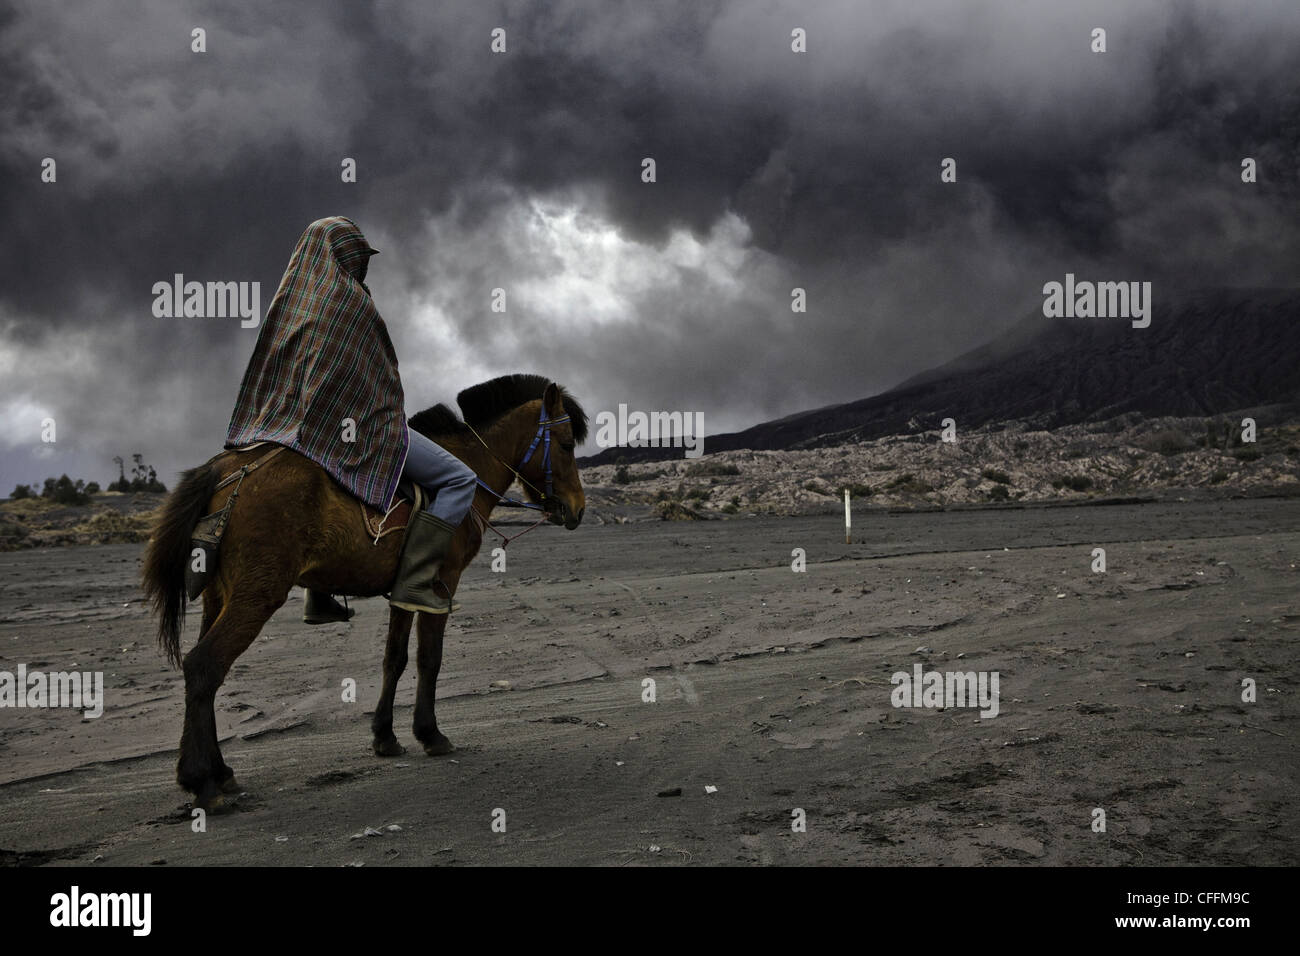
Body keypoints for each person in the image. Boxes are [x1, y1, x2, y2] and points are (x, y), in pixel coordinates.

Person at [225, 216, 476, 619]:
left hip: (291, 427)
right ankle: (414, 581)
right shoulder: (351, 301)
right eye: (359, 258)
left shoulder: (290, 303)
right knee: (459, 479)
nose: (363, 267)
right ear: (346, 257)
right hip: (364, 426)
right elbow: (372, 376)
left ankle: (317, 592)